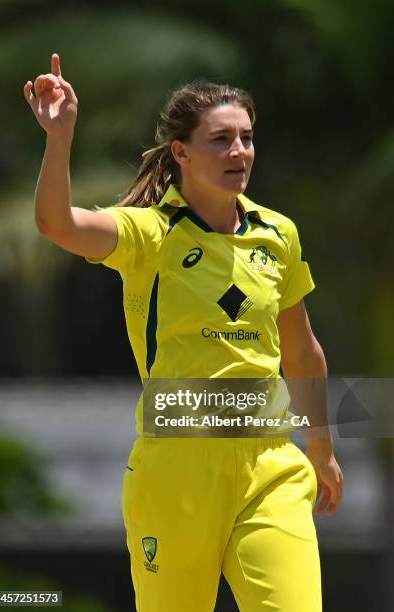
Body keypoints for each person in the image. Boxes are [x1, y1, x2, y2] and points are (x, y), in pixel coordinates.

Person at [24, 53, 344, 612]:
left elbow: (300, 349)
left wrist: (322, 450)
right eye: (221, 139)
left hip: (272, 466)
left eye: (246, 138)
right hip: (177, 472)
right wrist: (60, 136)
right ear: (182, 152)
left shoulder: (277, 234)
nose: (239, 152)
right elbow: (58, 224)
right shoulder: (150, 233)